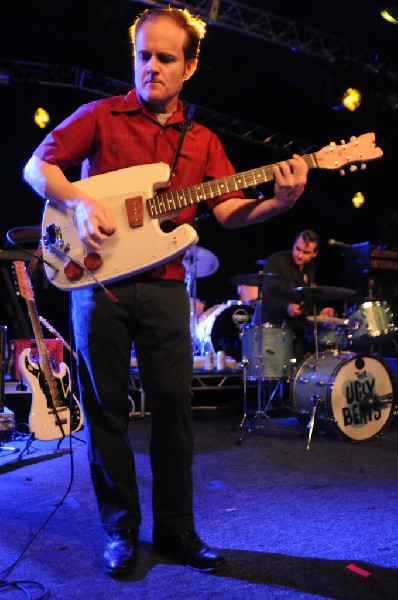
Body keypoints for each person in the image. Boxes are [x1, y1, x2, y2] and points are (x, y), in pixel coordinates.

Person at [22, 7, 308, 577]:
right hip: (96, 285)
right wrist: (79, 202)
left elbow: (226, 211)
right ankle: (120, 531)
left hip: (165, 288)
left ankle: (177, 530)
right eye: (143, 55)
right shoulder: (100, 115)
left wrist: (278, 203)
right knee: (105, 413)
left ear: (190, 67)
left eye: (165, 58)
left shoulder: (202, 142)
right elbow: (38, 166)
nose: (151, 67)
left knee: (175, 410)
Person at [254, 230, 335, 363]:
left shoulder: (311, 268)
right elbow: (265, 299)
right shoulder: (276, 261)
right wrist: (287, 307)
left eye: (306, 252)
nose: (299, 255)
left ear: (315, 253)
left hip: (296, 329)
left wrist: (319, 312)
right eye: (297, 249)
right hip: (273, 329)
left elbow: (305, 301)